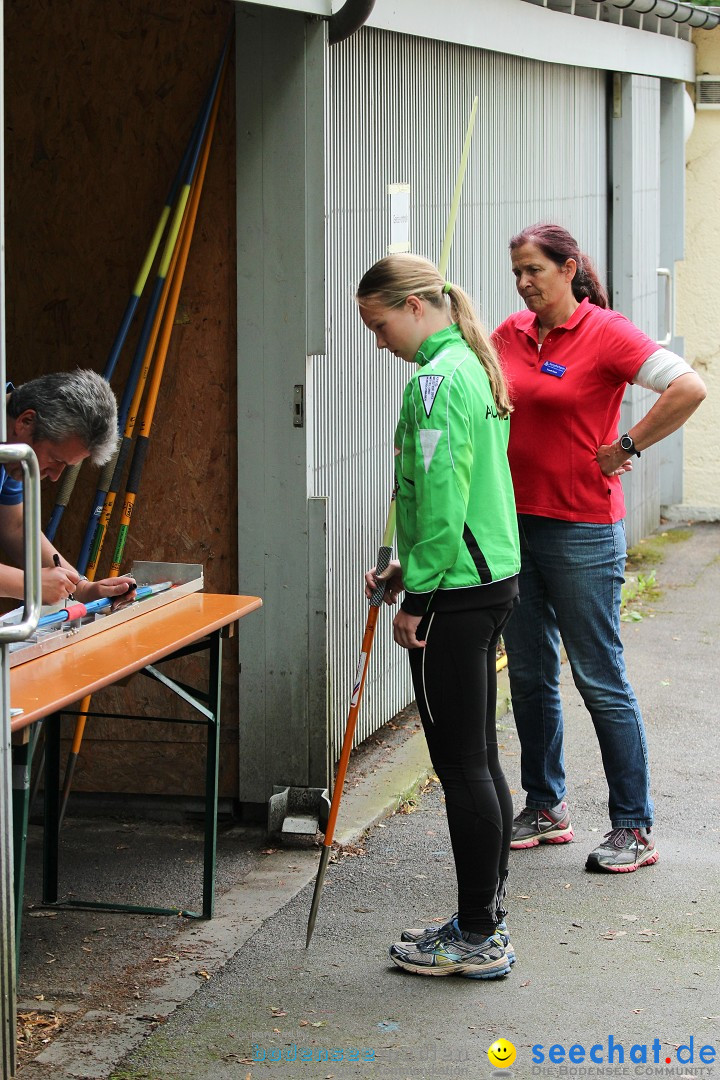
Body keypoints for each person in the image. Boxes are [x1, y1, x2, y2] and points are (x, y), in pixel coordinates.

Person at [492, 223, 706, 873]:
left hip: (583, 530)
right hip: (516, 529)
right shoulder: (508, 334)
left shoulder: (606, 332)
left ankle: (633, 828)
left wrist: (628, 445)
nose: (525, 282)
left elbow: (689, 387)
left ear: (568, 267)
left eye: (535, 270)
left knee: (599, 678)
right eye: (517, 273)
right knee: (529, 677)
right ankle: (545, 805)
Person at [358, 254, 521, 979]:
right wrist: (409, 569)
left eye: (379, 322)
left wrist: (416, 597)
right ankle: (481, 915)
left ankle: (479, 934)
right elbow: (451, 495)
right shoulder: (471, 363)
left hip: (456, 593)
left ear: (416, 305)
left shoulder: (434, 378)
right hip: (485, 579)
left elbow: (446, 496)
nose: (378, 340)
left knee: (461, 764)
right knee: (477, 755)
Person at [1, 369, 135, 606]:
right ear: (26, 421)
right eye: (55, 460)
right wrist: (29, 584)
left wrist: (81, 588)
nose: (54, 477)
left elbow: (15, 526)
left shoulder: (11, 446)